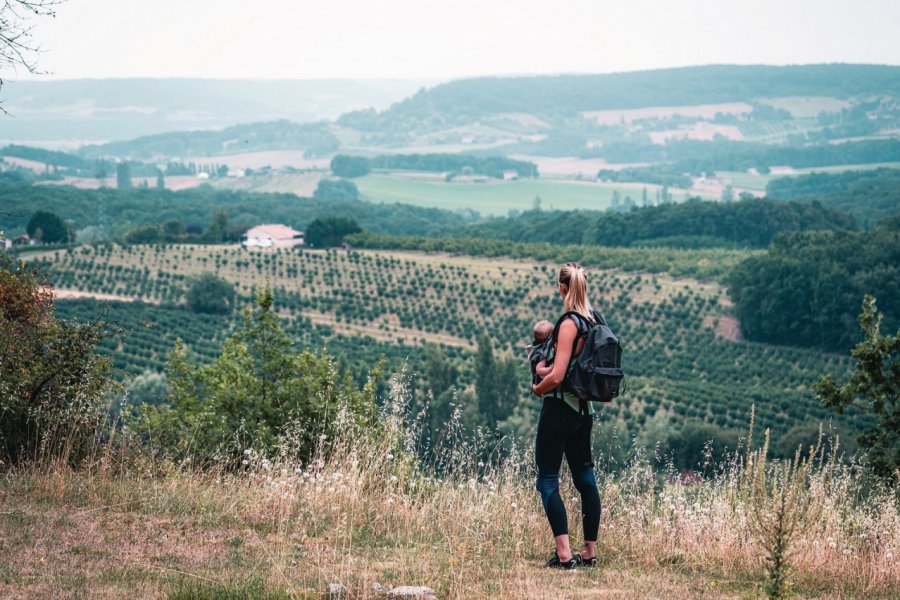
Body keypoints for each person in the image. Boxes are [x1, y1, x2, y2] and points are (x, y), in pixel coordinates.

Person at [531, 262, 601, 570]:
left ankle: (563, 556)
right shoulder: (594, 320)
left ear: (563, 288)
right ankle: (589, 552)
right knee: (585, 479)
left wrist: (538, 387)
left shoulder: (570, 322)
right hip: (584, 411)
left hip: (560, 408)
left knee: (547, 479)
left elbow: (558, 375)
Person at [527, 319, 554, 384]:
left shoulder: (534, 348)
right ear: (550, 338)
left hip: (538, 381)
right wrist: (554, 369)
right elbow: (540, 370)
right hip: (545, 382)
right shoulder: (545, 352)